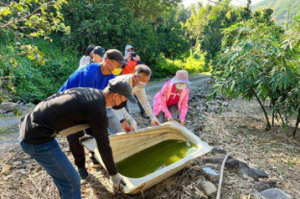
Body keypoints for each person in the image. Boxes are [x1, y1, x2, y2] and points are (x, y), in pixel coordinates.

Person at [19, 80, 137, 199]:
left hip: (31, 126)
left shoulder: (93, 94)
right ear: (116, 96)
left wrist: (84, 136)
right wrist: (114, 175)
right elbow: (104, 145)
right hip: (36, 140)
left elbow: (74, 114)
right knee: (71, 182)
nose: (124, 103)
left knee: (64, 180)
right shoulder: (97, 109)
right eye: (124, 100)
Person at [59, 49, 135, 180]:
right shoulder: (89, 73)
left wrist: (123, 121)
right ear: (107, 61)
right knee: (75, 137)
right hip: (68, 105)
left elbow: (112, 100)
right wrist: (83, 126)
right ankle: (81, 166)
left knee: (96, 132)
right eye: (117, 64)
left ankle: (96, 158)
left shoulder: (111, 78)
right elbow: (82, 101)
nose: (119, 68)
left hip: (88, 105)